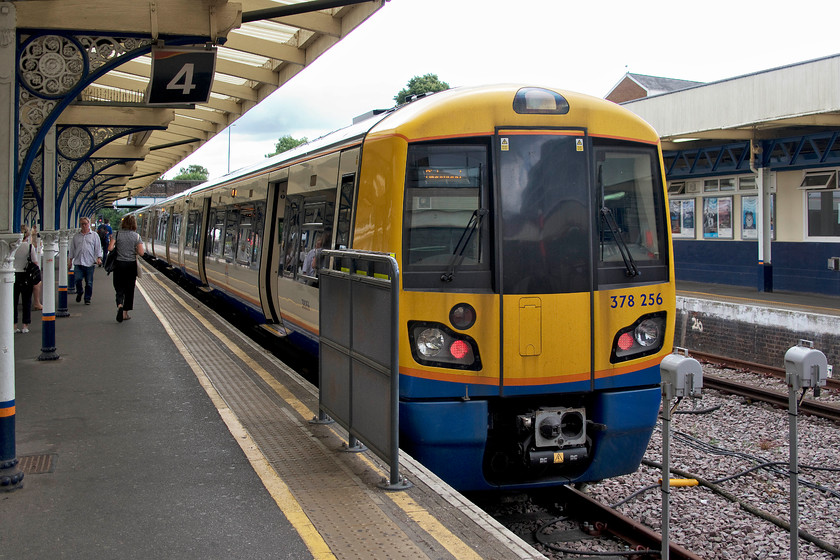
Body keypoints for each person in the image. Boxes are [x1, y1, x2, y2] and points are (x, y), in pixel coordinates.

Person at [108, 214, 144, 323]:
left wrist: (117, 247)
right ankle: (125, 313)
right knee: (129, 289)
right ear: (134, 224)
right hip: (131, 266)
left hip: (119, 265)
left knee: (119, 288)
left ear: (123, 223)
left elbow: (110, 248)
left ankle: (119, 304)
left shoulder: (117, 234)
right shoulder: (136, 236)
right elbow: (141, 253)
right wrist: (134, 250)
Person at [68, 217, 102, 305]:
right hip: (78, 262)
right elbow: (72, 249)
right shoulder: (76, 236)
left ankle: (87, 298)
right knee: (77, 279)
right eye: (82, 224)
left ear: (89, 224)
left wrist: (98, 258)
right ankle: (80, 292)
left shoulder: (94, 235)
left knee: (89, 282)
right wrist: (70, 260)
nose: (83, 226)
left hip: (90, 262)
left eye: (85, 224)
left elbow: (98, 247)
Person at [13, 225, 37, 333]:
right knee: (26, 301)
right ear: (27, 234)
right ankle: (25, 326)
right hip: (26, 276)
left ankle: (14, 325)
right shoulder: (30, 247)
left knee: (13, 301)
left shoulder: (12, 247)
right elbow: (35, 262)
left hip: (12, 275)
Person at [30, 224, 43, 310]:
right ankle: (37, 302)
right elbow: (35, 261)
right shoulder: (28, 247)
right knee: (37, 283)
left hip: (14, 273)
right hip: (27, 273)